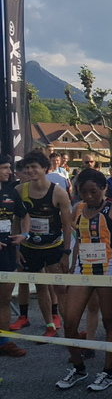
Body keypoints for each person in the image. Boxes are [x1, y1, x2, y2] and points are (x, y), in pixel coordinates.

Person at [56, 169, 112, 391]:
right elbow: (79, 239)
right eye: (84, 192)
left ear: (104, 188)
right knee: (70, 322)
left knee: (109, 320)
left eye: (94, 191)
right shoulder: (78, 208)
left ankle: (108, 372)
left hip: (108, 267)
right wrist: (72, 265)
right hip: (83, 267)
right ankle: (78, 368)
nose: (89, 196)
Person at [16, 150, 72, 337]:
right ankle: (49, 326)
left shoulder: (58, 192)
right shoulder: (20, 190)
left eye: (34, 167)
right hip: (30, 247)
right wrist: (17, 248)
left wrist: (66, 253)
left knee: (59, 288)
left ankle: (70, 327)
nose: (30, 171)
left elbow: (67, 225)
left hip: (53, 246)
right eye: (27, 167)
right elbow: (17, 220)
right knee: (40, 286)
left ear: (45, 169)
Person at [0, 153, 29, 358]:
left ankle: (4, 342)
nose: (9, 172)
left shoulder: (10, 192)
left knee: (4, 298)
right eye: (5, 168)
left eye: (9, 168)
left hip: (7, 252)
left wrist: (24, 234)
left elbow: (24, 214)